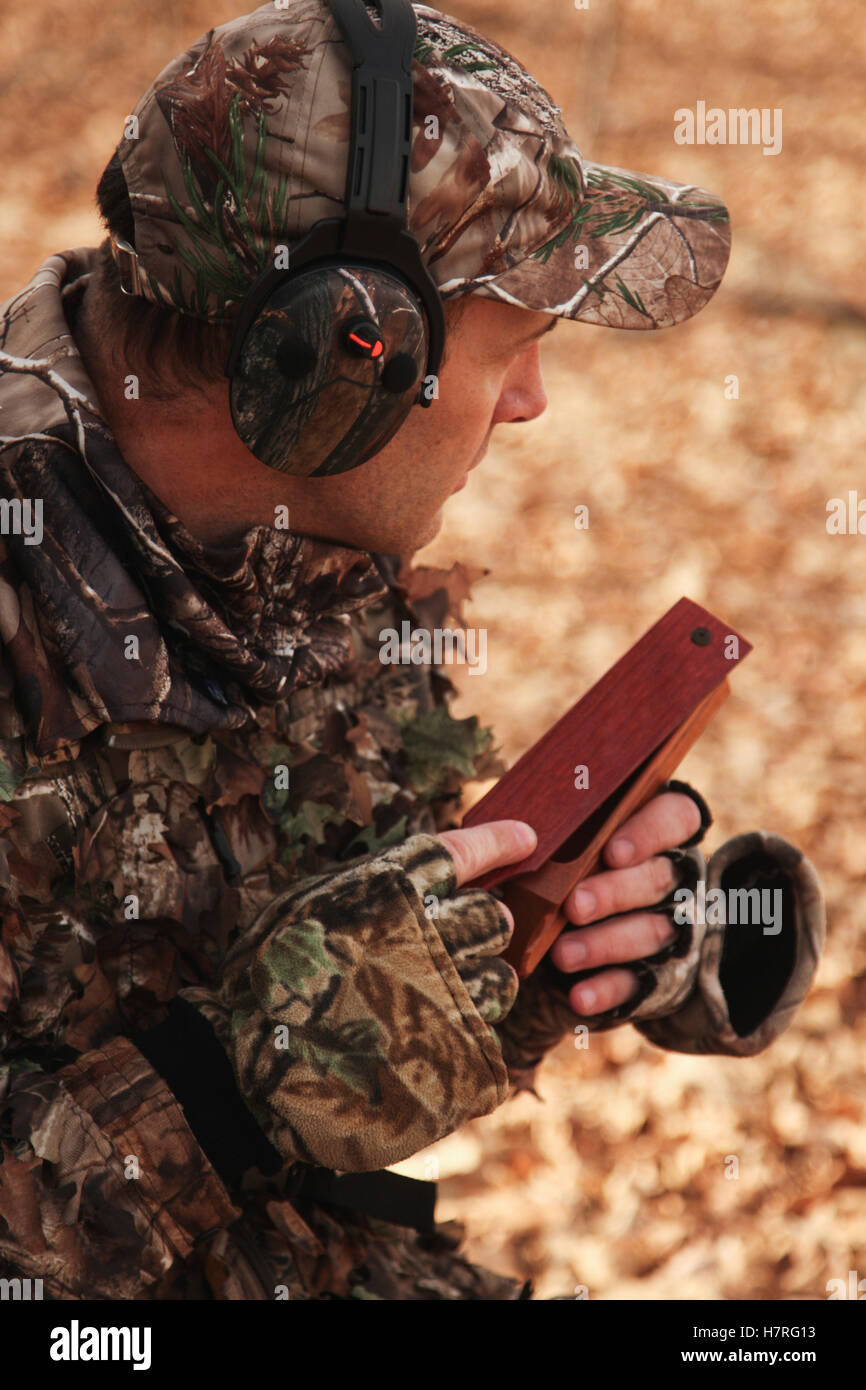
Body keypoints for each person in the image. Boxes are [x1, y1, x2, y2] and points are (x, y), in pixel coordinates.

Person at [0, 0, 824, 1300]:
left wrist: (585, 939)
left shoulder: (302, 505)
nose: (534, 402)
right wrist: (231, 1093)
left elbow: (333, 932)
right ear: (344, 358)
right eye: (520, 346)